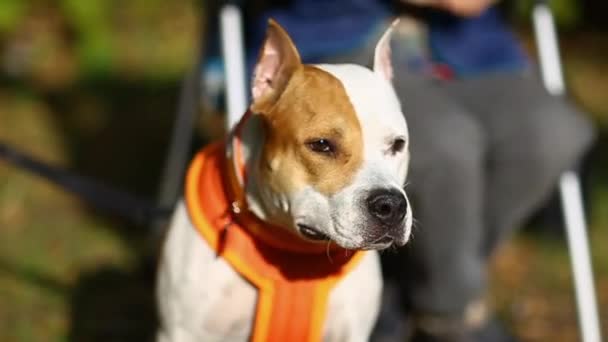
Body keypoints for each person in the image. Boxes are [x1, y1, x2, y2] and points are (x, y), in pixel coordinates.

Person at [201, 0, 595, 340]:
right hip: (335, 38)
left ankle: (411, 285)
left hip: (471, 49)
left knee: (554, 134)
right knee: (447, 144)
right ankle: (449, 315)